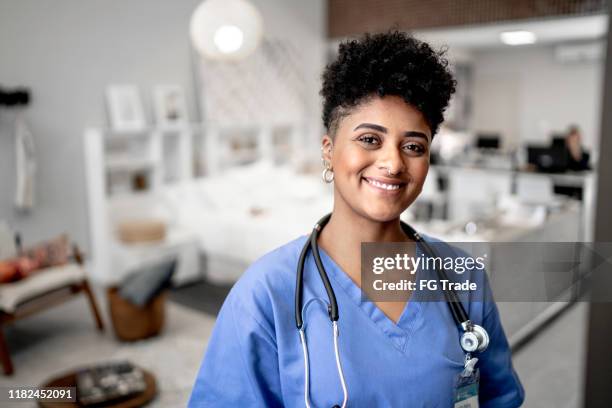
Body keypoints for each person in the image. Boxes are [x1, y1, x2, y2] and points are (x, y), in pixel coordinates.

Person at [189, 31, 524, 407]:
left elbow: (500, 399)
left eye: (413, 146)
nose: (394, 163)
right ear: (329, 151)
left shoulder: (463, 277)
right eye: (369, 139)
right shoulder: (266, 294)